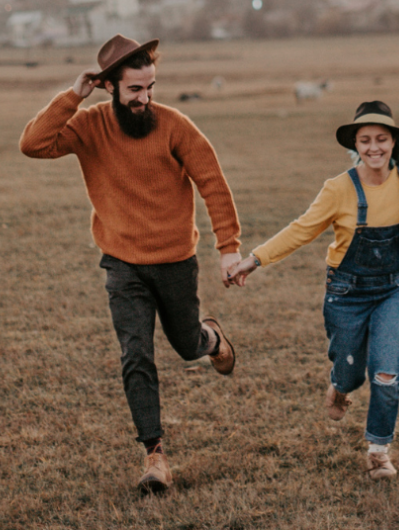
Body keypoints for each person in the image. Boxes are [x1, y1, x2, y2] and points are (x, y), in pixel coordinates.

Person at [19, 34, 242, 493]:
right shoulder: (88, 125)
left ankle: (211, 337)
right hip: (121, 262)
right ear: (109, 87)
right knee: (135, 353)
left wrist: (229, 247)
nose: (145, 99)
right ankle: (155, 456)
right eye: (135, 90)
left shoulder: (175, 125)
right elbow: (33, 144)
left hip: (176, 260)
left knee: (185, 345)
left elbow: (213, 183)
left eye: (150, 87)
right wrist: (72, 95)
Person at [228, 101, 399, 480]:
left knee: (386, 374)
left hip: (395, 289)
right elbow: (301, 229)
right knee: (352, 373)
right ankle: (339, 386)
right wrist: (254, 260)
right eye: (365, 140)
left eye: (381, 139)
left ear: (393, 142)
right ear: (355, 144)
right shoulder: (338, 189)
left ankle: (378, 451)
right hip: (346, 293)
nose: (374, 148)